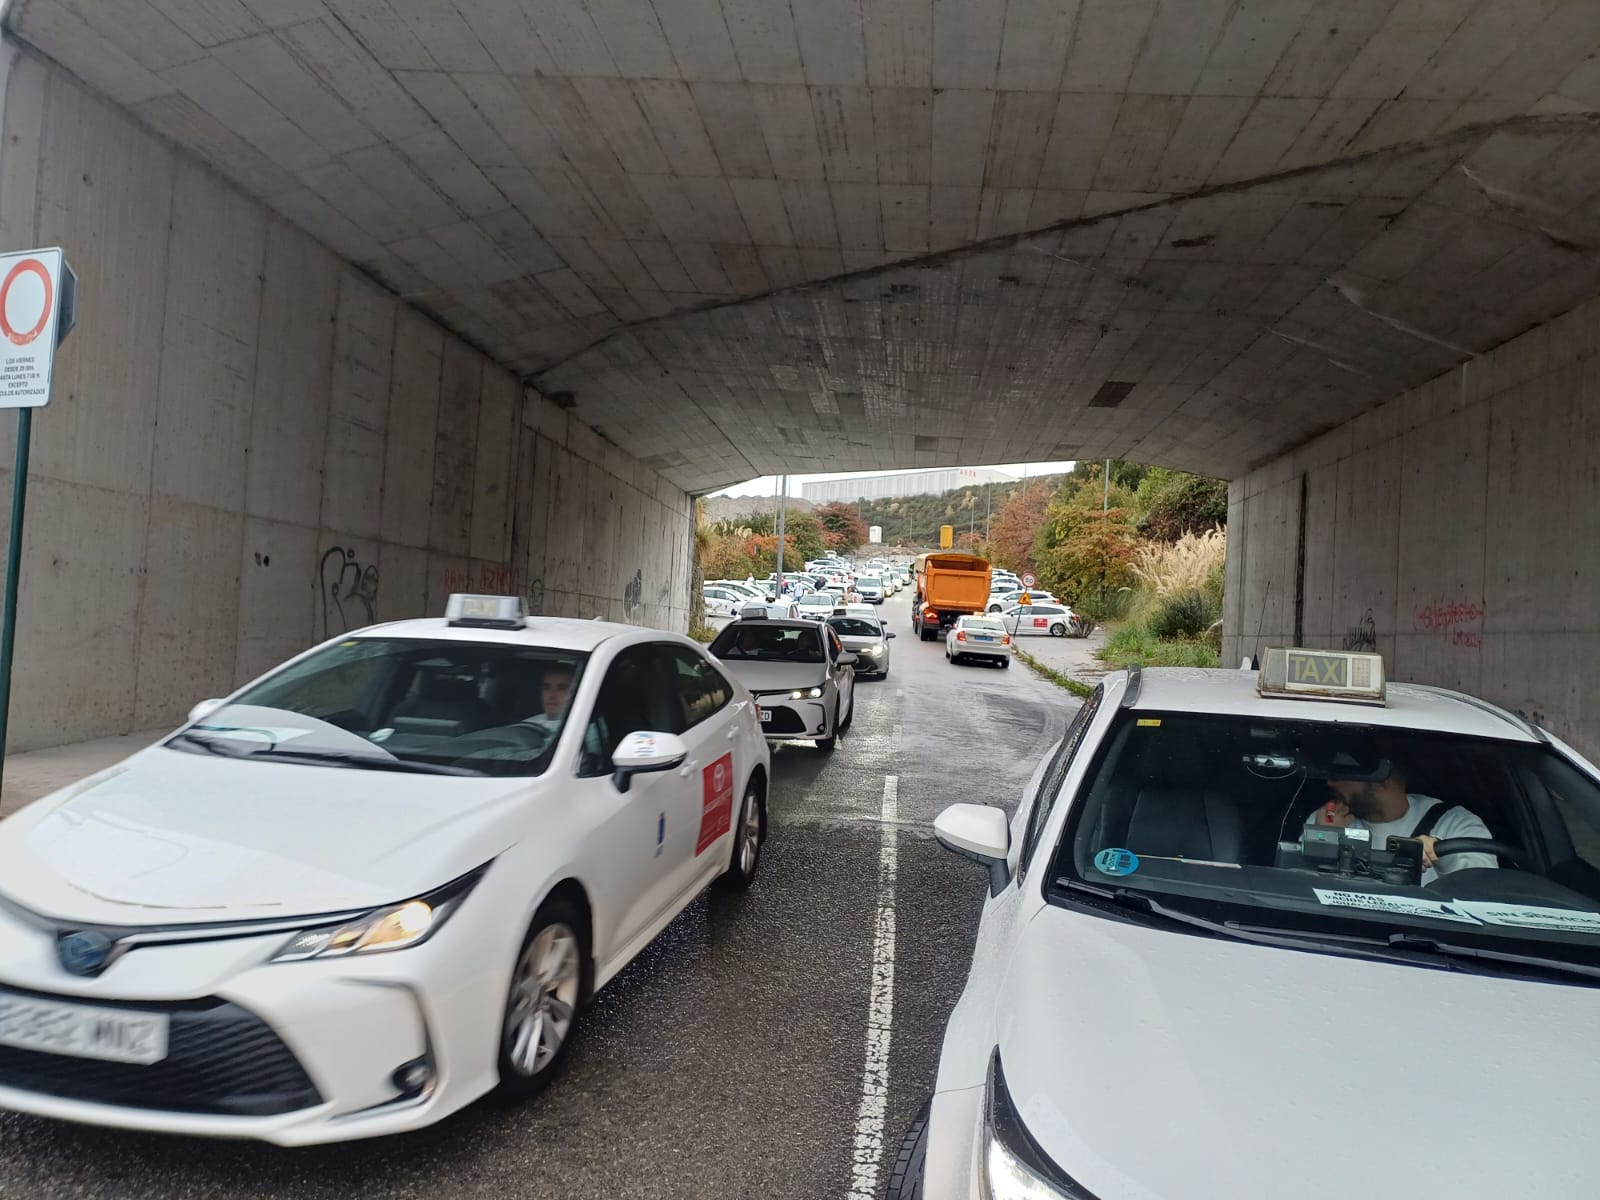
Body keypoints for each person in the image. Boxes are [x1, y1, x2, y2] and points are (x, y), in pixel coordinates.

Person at [1307, 754, 1497, 886]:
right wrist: (1326, 841)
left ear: (1381, 783)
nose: (1331, 783)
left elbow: (1483, 889)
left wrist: (1442, 854)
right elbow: (1303, 887)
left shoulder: (1455, 823)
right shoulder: (1329, 820)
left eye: (1341, 775)